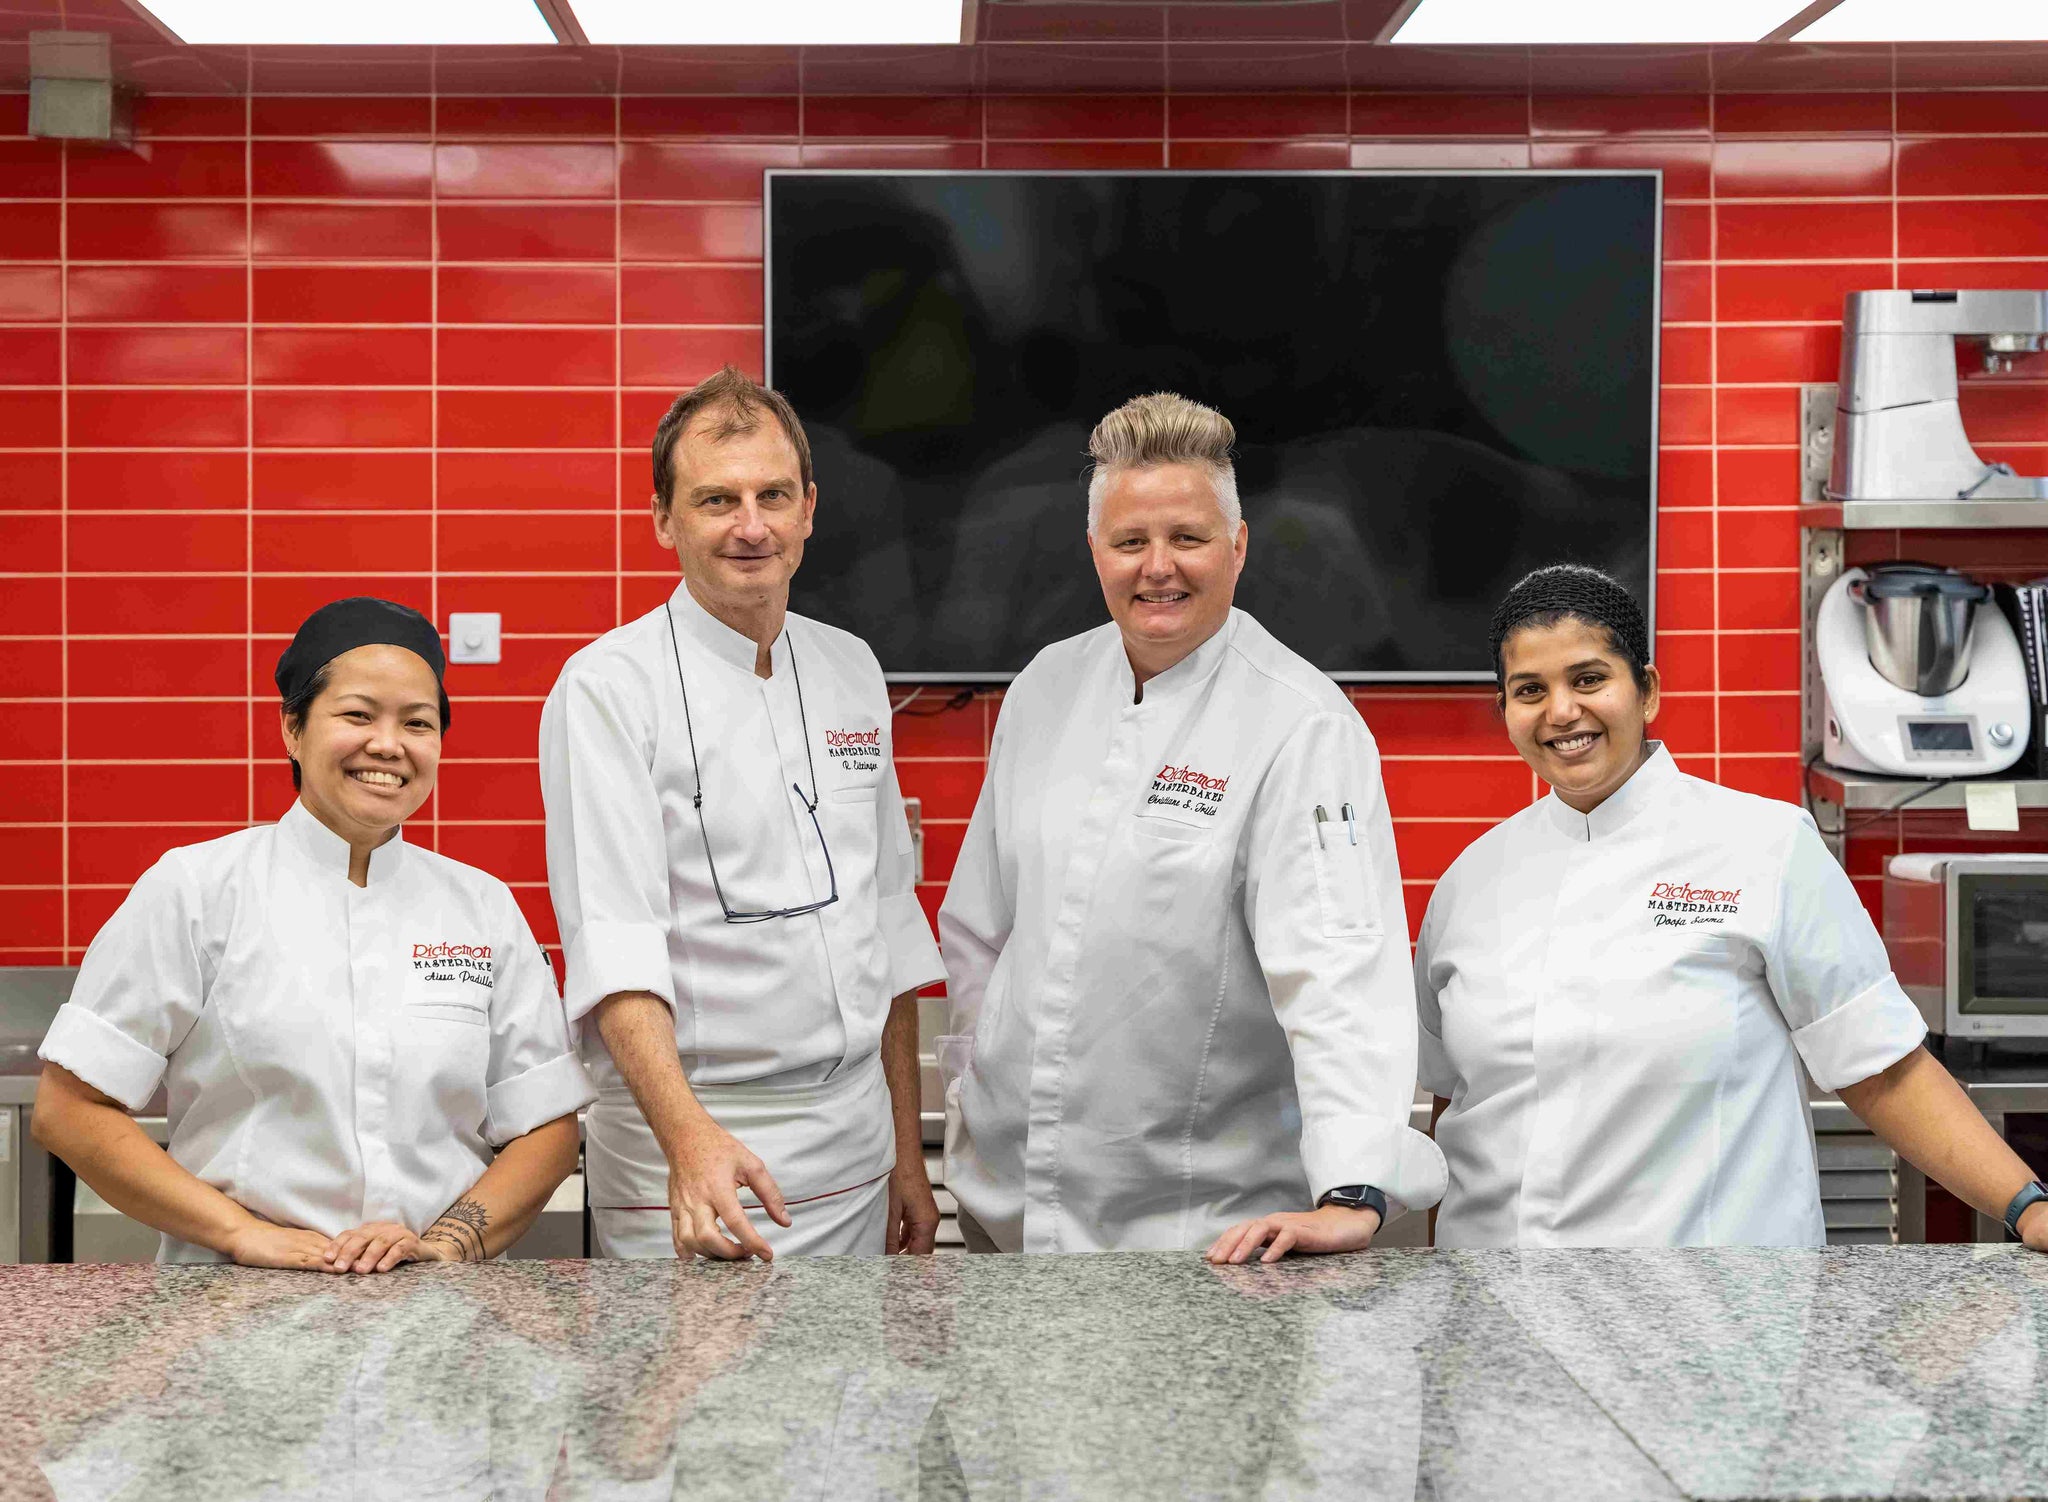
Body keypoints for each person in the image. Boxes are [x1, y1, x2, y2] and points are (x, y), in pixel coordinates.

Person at [938, 391, 1446, 1257]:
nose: (1158, 568)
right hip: (1008, 1210)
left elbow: (1339, 973)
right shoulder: (1043, 689)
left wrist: (1353, 1187)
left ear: (1239, 546)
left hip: (1200, 1235)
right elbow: (982, 930)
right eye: (1132, 542)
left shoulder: (1301, 724)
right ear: (1095, 550)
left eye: (1189, 539)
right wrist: (972, 1095)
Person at [1413, 563, 2048, 1250]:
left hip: (1711, 1320)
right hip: (1498, 1312)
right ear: (1504, 710)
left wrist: (2029, 1207)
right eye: (1529, 690)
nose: (1561, 711)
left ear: (1647, 690)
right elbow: (1452, 1107)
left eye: (1589, 679)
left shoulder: (1765, 848)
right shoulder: (1468, 883)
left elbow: (1882, 1069)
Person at [33, 598, 592, 1269]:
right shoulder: (197, 889)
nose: (388, 745)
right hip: (235, 1304)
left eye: (417, 722)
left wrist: (445, 1244)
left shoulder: (482, 907)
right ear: (293, 729)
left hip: (433, 1310)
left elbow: (546, 1127)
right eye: (357, 715)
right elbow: (69, 1110)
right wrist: (242, 1234)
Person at [540, 366, 944, 1262]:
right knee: (695, 1401)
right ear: (664, 519)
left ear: (808, 508)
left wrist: (906, 1153)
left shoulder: (852, 669)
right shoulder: (609, 687)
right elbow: (616, 942)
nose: (750, 526)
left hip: (854, 1147)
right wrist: (689, 1145)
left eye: (771, 496)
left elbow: (886, 922)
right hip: (691, 1153)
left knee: (846, 1400)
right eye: (717, 500)